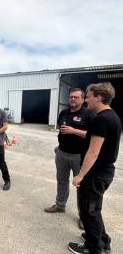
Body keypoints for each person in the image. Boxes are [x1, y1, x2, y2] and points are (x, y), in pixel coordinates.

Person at [68, 83, 121, 254]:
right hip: (104, 171)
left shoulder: (102, 119)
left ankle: (93, 249)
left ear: (98, 97)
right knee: (94, 209)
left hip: (96, 172)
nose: (86, 100)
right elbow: (91, 136)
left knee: (88, 210)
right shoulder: (111, 116)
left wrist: (80, 175)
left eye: (89, 96)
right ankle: (102, 240)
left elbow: (93, 151)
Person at [44, 88, 94, 228]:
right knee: (61, 181)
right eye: (71, 96)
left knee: (81, 186)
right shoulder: (64, 113)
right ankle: (60, 205)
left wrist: (74, 131)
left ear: (83, 99)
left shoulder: (89, 114)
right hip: (62, 154)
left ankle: (83, 216)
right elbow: (61, 130)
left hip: (79, 156)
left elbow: (92, 135)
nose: (72, 99)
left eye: (76, 97)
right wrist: (59, 146)